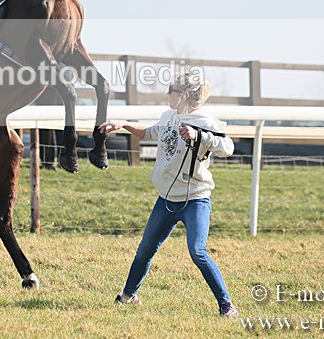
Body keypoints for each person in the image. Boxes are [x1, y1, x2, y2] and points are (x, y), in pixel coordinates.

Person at [99, 72, 238, 317]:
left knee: (197, 251)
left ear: (182, 94)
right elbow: (149, 132)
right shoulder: (169, 117)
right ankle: (128, 296)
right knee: (145, 250)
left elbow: (228, 147)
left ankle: (226, 304)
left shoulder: (206, 121)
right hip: (166, 199)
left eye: (170, 91)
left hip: (195, 199)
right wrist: (124, 124)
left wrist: (199, 136)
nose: (167, 95)